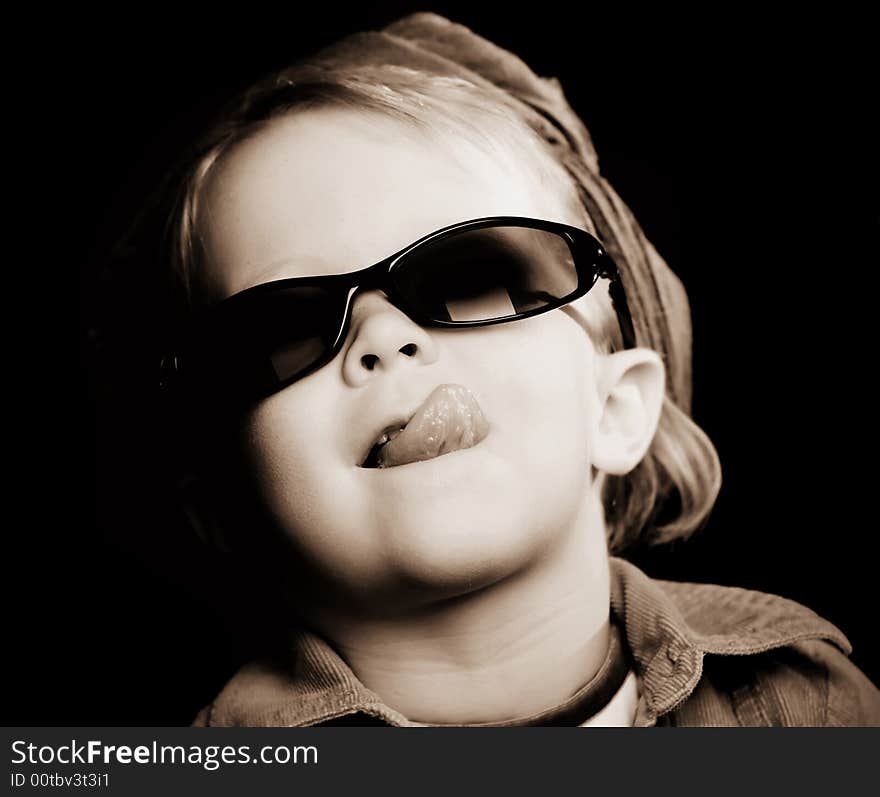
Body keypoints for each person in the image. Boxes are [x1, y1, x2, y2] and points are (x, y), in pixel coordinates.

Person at [153, 12, 880, 726]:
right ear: (227, 497)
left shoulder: (813, 710)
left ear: (616, 410)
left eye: (471, 278)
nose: (385, 336)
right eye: (287, 330)